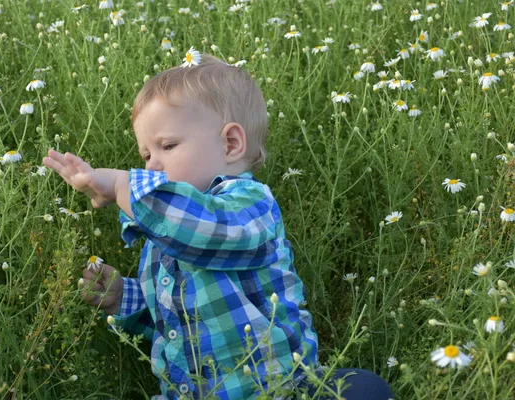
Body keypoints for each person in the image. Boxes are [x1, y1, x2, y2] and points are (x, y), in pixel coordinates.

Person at [42, 53, 393, 400]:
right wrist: (123, 298)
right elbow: (175, 324)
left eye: (167, 145)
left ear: (230, 143)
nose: (151, 167)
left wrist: (122, 187)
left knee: (362, 388)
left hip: (277, 389)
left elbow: (206, 231)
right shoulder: (163, 234)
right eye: (146, 155)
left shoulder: (250, 205)